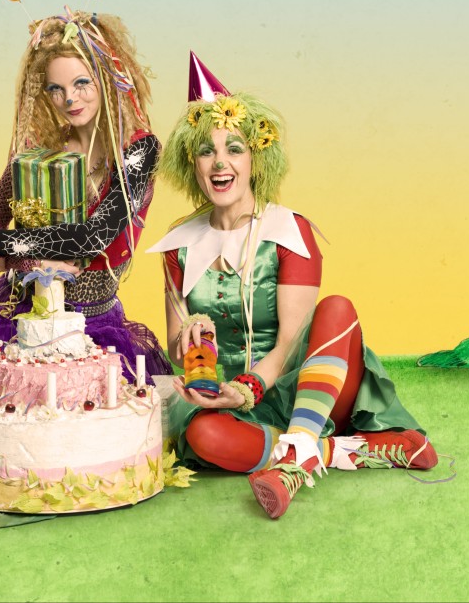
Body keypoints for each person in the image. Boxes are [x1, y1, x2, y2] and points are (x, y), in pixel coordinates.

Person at [148, 53, 438, 519]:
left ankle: (297, 451)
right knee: (202, 435)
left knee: (338, 307)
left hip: (308, 390)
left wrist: (246, 388)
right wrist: (192, 348)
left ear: (256, 158)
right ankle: (328, 453)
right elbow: (176, 349)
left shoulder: (288, 231)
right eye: (206, 151)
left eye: (234, 149)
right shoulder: (177, 246)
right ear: (192, 163)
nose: (220, 162)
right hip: (231, 406)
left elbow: (288, 346)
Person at [0, 7, 172, 386]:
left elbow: (91, 238)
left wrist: (4, 244)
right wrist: (29, 260)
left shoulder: (139, 151)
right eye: (56, 89)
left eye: (82, 83)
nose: (69, 99)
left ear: (107, 78)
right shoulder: (42, 151)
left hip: (93, 319)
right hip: (19, 314)